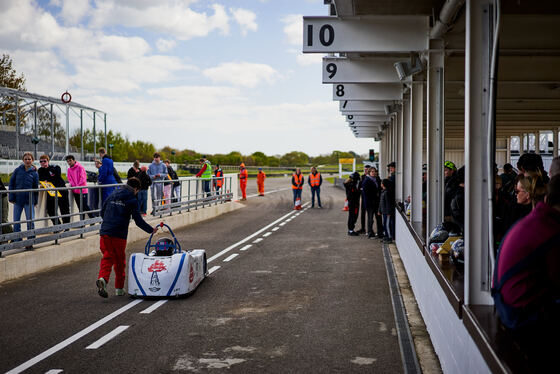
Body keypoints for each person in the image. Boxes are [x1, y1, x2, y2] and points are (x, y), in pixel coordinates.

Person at [492, 175, 560, 371]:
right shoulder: (550, 230)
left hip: (506, 306)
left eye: (517, 191)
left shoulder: (536, 219)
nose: (514, 195)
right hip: (521, 318)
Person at [96, 177, 158, 298]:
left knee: (107, 257)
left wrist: (109, 222)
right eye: (137, 191)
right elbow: (138, 221)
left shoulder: (113, 193)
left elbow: (102, 212)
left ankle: (103, 278)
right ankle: (119, 288)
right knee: (119, 261)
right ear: (136, 188)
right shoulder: (132, 199)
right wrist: (151, 230)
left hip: (105, 231)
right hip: (118, 234)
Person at [8, 152, 39, 249]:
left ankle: (30, 241)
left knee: (30, 221)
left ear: (32, 160)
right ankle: (17, 240)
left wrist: (35, 201)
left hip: (29, 201)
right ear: (23, 160)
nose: (27, 161)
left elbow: (35, 189)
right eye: (25, 159)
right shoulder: (17, 170)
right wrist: (11, 197)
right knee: (16, 221)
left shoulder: (34, 173)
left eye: (29, 159)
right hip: (18, 200)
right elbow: (11, 184)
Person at [38, 154, 70, 226]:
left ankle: (66, 226)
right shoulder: (40, 171)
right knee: (50, 210)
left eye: (44, 161)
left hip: (61, 190)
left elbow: (57, 174)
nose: (43, 163)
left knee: (64, 209)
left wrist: (48, 169)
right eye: (41, 161)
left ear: (48, 161)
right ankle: (57, 225)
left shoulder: (55, 167)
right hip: (51, 191)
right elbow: (41, 180)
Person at [65, 155, 94, 220]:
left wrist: (77, 186)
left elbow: (83, 178)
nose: (69, 162)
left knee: (85, 206)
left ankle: (92, 218)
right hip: (75, 191)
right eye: (67, 161)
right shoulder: (69, 169)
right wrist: (74, 187)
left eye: (70, 160)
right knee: (80, 208)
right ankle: (82, 222)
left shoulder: (80, 167)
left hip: (82, 190)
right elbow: (69, 179)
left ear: (74, 160)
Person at [362, 167, 380, 238]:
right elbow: (366, 194)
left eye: (374, 171)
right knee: (370, 218)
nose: (373, 173)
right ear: (369, 172)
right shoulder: (366, 181)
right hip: (370, 203)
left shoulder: (377, 180)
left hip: (377, 202)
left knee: (378, 218)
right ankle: (370, 232)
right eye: (372, 171)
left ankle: (380, 232)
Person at [378, 179, 395, 243]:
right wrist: (379, 210)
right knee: (384, 224)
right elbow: (381, 202)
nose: (381, 184)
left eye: (381, 183)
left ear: (384, 184)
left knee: (387, 224)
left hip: (387, 212)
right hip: (383, 211)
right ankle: (386, 236)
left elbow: (388, 203)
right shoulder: (383, 191)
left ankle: (389, 237)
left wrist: (388, 212)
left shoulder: (387, 192)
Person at [356, 165, 371, 233]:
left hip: (370, 199)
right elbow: (359, 187)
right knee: (362, 214)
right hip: (363, 198)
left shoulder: (372, 177)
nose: (365, 171)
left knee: (370, 214)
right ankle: (363, 228)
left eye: (367, 169)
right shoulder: (362, 177)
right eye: (365, 169)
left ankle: (370, 230)